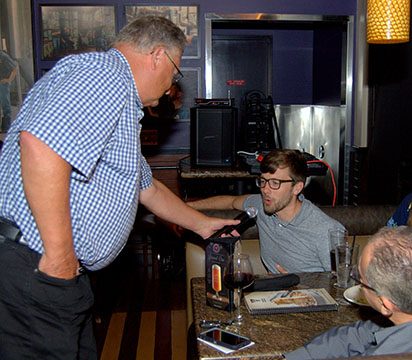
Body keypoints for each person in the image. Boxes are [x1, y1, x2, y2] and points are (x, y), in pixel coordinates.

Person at [0, 16, 237, 359]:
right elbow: (40, 145)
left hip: (54, 274)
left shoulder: (120, 104)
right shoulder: (105, 75)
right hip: (38, 270)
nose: (172, 84)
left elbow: (146, 187)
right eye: (174, 72)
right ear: (157, 55)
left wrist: (203, 225)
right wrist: (60, 257)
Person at [285, 226, 412, 359]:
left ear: (386, 304)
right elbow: (365, 333)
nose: (360, 284)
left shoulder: (390, 353)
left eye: (361, 280)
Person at [187, 149, 345, 274]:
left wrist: (299, 287)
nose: (265, 190)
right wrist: (187, 208)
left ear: (297, 187)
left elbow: (340, 286)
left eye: (275, 183)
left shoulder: (327, 230)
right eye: (263, 181)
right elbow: (230, 201)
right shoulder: (261, 206)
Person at [0, 49, 18, 131]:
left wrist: (9, 79)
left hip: (3, 83)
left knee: (5, 104)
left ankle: (6, 126)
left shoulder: (3, 56)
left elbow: (14, 67)